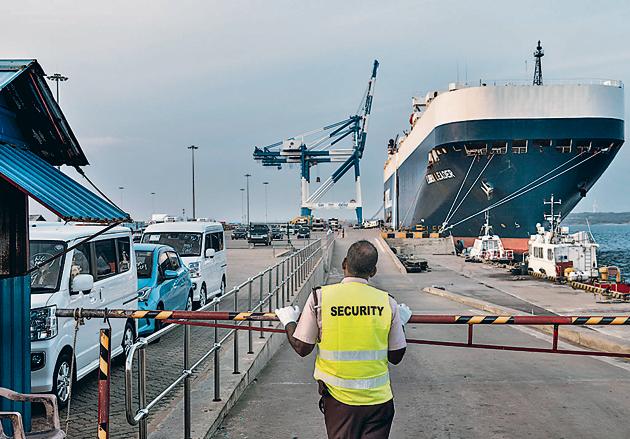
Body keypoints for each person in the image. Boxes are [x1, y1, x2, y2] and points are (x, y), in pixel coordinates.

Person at [275, 240, 412, 439]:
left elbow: (302, 347)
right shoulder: (387, 302)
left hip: (340, 402)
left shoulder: (320, 298)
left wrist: (288, 320)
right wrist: (400, 322)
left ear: (344, 263)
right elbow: (396, 356)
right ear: (373, 271)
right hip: (379, 402)